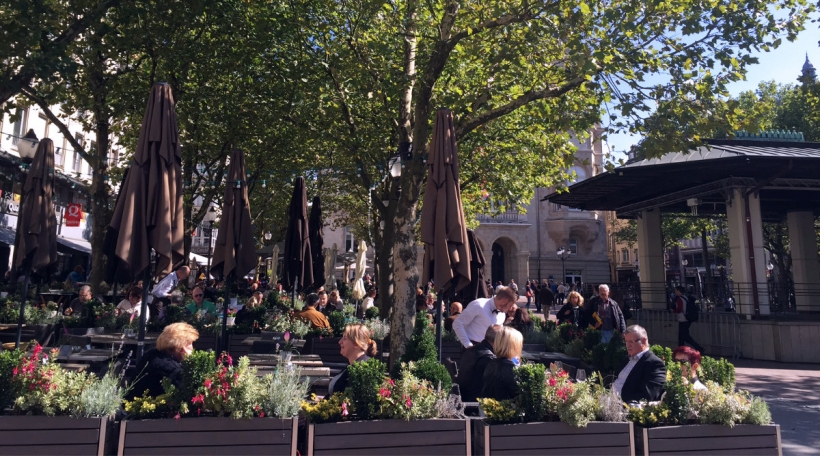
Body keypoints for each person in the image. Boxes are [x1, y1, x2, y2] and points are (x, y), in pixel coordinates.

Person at [129, 322, 199, 399]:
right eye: (189, 343)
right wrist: (190, 360)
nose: (192, 348)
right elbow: (187, 386)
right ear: (179, 346)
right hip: (141, 408)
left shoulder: (153, 354)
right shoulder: (164, 365)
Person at [612, 325, 667, 403]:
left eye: (631, 342)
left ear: (644, 341)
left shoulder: (654, 364)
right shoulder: (626, 360)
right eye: (626, 341)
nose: (627, 345)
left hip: (624, 408)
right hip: (608, 401)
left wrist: (620, 402)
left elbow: (647, 396)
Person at [452, 286, 517, 348]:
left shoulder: (502, 314)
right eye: (510, 305)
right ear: (504, 301)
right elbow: (457, 323)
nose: (511, 308)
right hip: (473, 348)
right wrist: (468, 344)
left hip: (492, 350)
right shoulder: (478, 305)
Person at [327, 323, 379, 395]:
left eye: (344, 338)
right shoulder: (352, 365)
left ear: (356, 344)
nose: (340, 342)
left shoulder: (363, 369)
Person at [455, 325, 499, 402]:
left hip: (465, 397)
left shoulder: (472, 350)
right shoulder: (488, 358)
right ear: (499, 341)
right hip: (475, 404)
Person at [480, 326, 522, 401]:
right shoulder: (510, 367)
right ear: (514, 346)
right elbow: (519, 393)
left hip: (489, 407)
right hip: (505, 409)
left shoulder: (491, 363)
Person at [673, 286, 705, 352]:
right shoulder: (686, 298)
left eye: (676, 291)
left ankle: (698, 348)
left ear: (679, 291)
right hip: (688, 319)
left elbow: (679, 309)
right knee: (683, 336)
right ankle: (681, 350)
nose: (675, 292)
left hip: (683, 319)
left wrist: (672, 311)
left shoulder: (680, 299)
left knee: (684, 336)